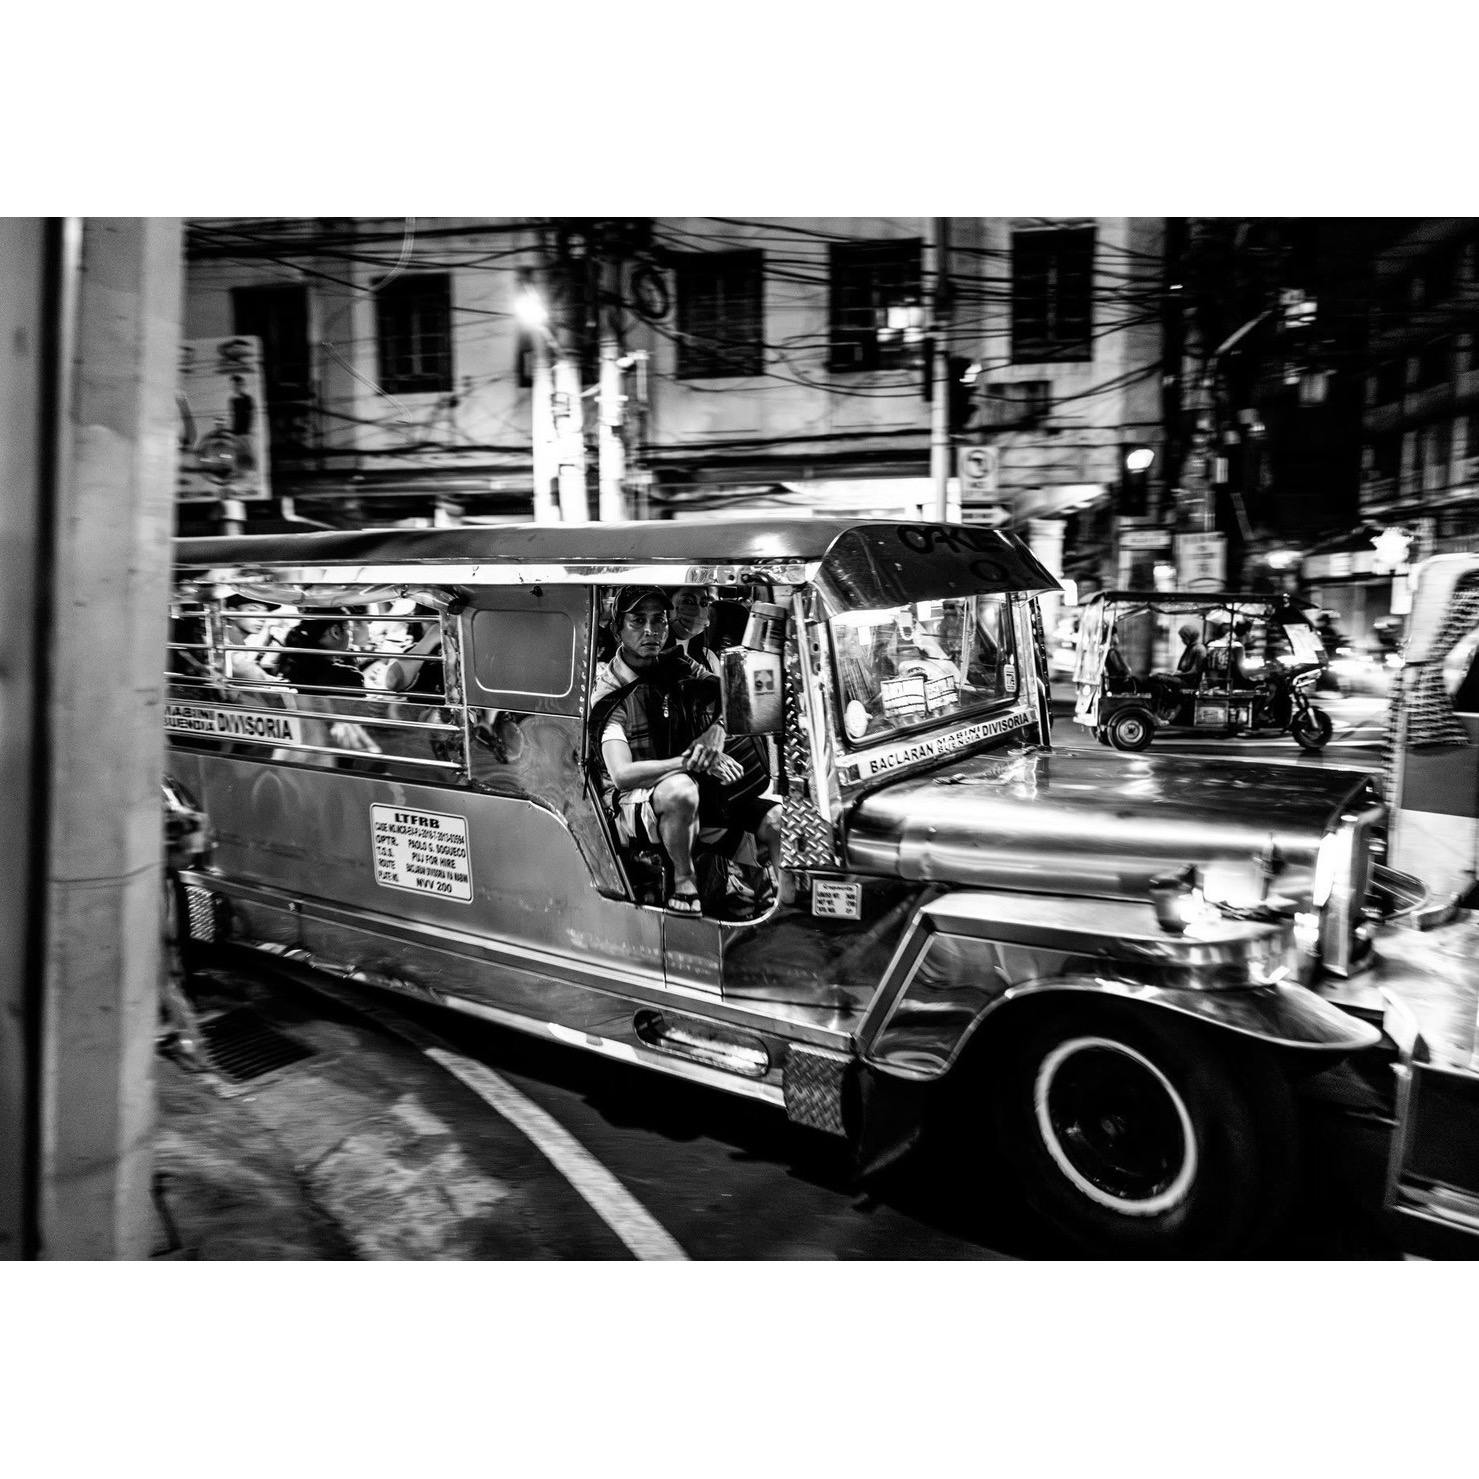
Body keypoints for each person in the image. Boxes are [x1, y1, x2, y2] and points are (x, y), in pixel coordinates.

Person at [591, 586, 779, 916]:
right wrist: (694, 761)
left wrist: (716, 732)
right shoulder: (610, 692)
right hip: (635, 804)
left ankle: (782, 898)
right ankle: (684, 879)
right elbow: (622, 775)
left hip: (694, 793)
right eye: (637, 621)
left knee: (777, 820)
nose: (650, 631)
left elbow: (736, 694)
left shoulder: (677, 664)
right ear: (617, 628)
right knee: (682, 790)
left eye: (658, 620)